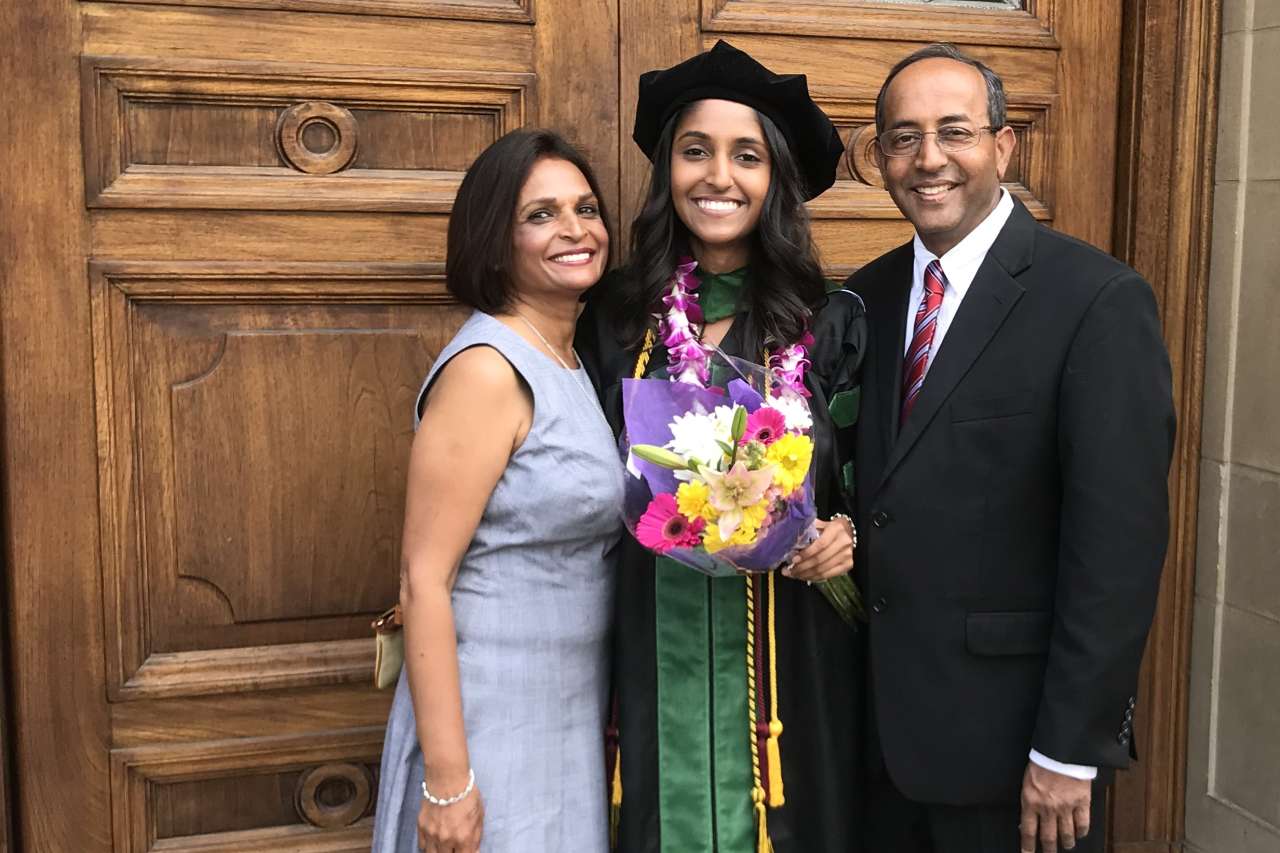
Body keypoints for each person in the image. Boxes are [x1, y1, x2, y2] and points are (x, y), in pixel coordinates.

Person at [847, 43, 1175, 853]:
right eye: (903, 136)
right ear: (881, 155)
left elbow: (1118, 550)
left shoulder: (1097, 301)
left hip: (1019, 761)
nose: (928, 159)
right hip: (875, 749)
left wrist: (1070, 748)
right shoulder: (864, 298)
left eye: (953, 131)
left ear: (1002, 145)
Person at [577, 40, 865, 853]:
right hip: (647, 629)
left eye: (746, 156)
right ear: (667, 169)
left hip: (788, 660)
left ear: (776, 178)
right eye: (694, 152)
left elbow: (870, 479)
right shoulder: (615, 316)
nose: (718, 177)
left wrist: (847, 535)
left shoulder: (828, 319)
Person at [372, 129, 624, 853]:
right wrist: (450, 780)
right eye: (540, 214)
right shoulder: (488, 368)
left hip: (562, 716)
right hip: (491, 725)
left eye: (585, 208)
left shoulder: (566, 358)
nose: (575, 230)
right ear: (494, 240)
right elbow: (423, 579)